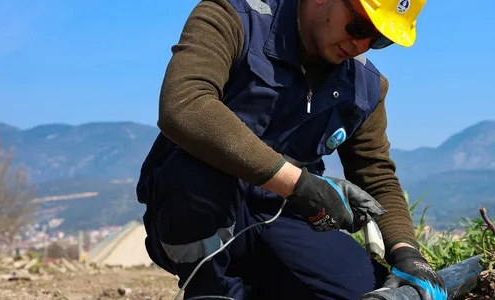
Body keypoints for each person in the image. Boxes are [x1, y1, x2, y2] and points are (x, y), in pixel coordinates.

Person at [136, 0, 446, 299]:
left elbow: (376, 176)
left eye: (379, 40)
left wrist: (406, 252)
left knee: (361, 290)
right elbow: (185, 106)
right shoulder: (234, 18)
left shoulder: (366, 87)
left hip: (283, 217)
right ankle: (209, 290)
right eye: (360, 26)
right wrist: (299, 185)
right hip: (201, 209)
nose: (361, 45)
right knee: (196, 167)